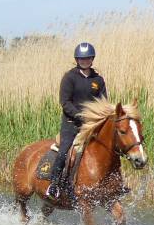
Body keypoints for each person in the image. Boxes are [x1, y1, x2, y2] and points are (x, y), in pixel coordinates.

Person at [46, 42, 108, 199]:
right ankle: (54, 184)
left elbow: (103, 102)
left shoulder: (98, 80)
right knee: (64, 152)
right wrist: (80, 116)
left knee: (108, 149)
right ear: (77, 59)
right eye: (81, 59)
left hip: (91, 125)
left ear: (92, 59)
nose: (85, 61)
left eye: (87, 58)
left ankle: (111, 184)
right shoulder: (69, 77)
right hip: (71, 125)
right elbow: (65, 102)